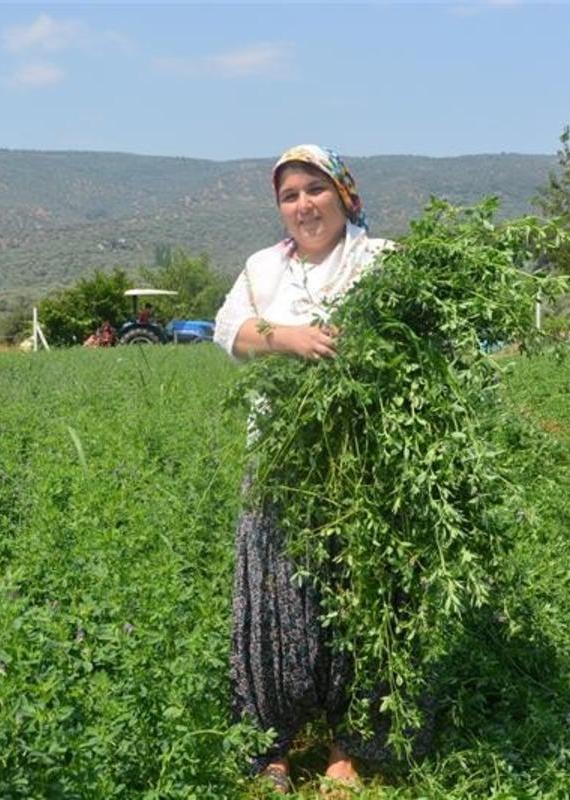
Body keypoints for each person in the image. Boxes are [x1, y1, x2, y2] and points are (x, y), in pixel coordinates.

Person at [214, 145, 407, 795]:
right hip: (278, 459)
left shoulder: (380, 263)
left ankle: (346, 747)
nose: (302, 205)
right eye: (289, 195)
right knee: (275, 603)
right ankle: (272, 745)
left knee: (354, 600)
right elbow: (228, 327)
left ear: (343, 194)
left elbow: (417, 343)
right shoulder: (262, 267)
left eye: (314, 189)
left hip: (357, 459)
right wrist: (287, 338)